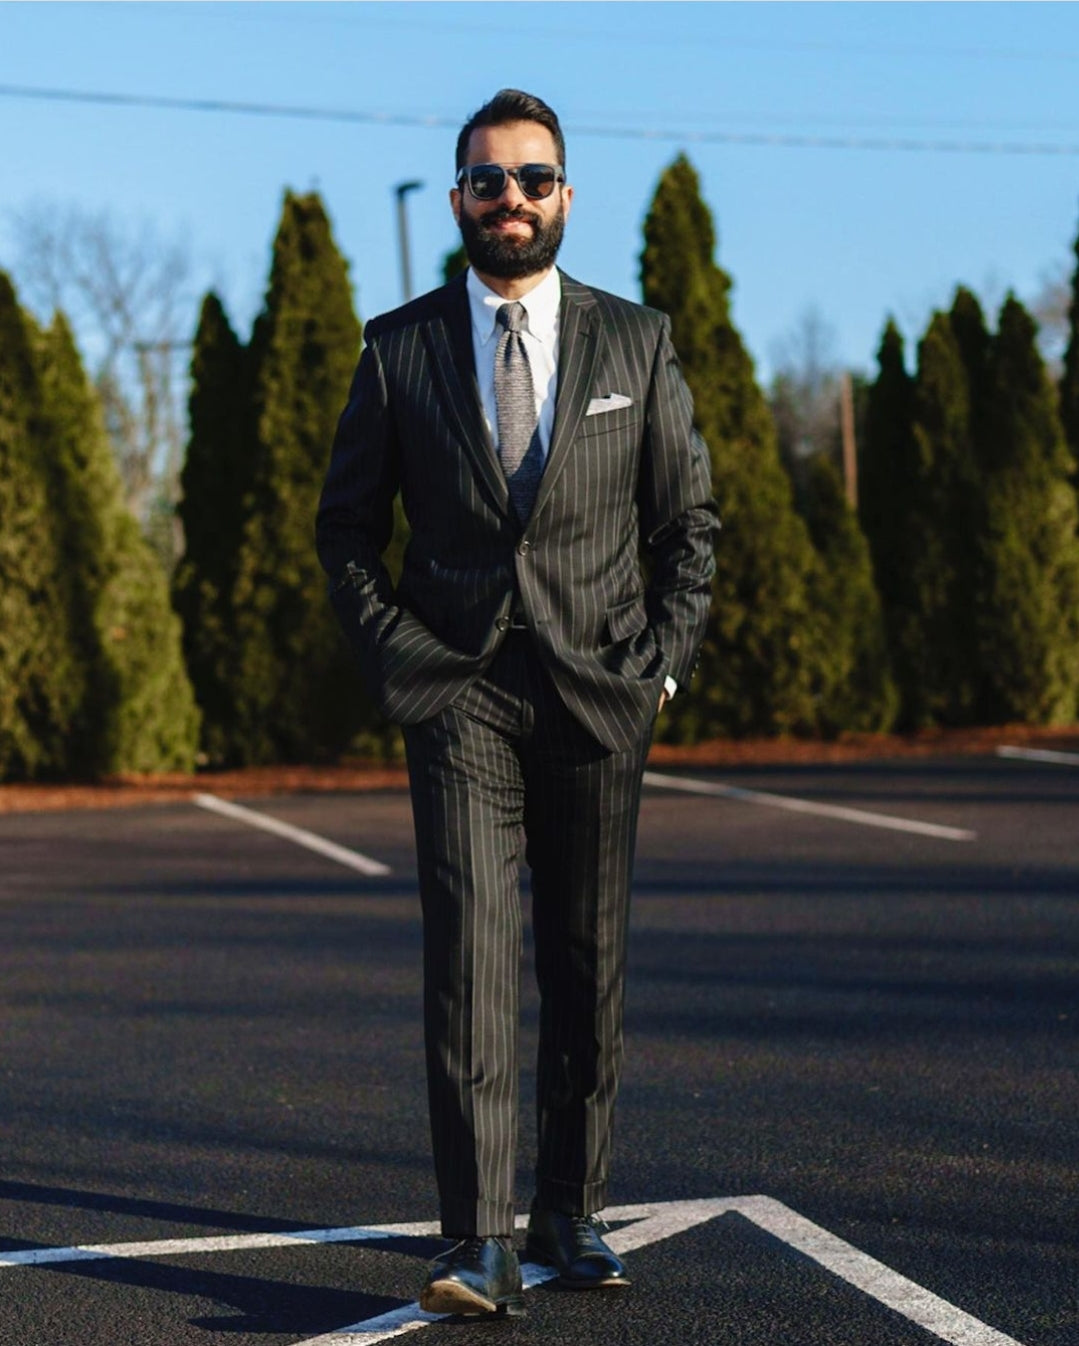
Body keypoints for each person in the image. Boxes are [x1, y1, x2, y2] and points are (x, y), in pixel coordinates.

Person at [316, 88, 718, 1317]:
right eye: (485, 181)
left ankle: (569, 1206)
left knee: (585, 966)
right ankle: (479, 1239)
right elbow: (344, 534)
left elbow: (686, 527)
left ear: (564, 195)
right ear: (456, 200)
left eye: (531, 179)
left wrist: (655, 667)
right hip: (461, 700)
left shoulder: (635, 343)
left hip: (598, 696)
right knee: (473, 961)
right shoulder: (399, 348)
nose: (509, 200)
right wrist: (404, 664)